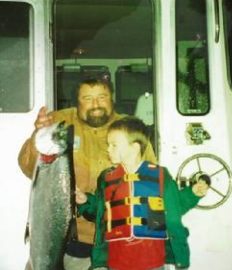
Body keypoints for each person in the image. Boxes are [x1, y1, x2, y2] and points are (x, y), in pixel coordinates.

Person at [18, 78, 156, 270]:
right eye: (88, 98)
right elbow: (27, 166)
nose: (96, 104)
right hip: (62, 239)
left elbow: (150, 182)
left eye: (102, 97)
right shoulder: (59, 121)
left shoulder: (130, 128)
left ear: (112, 99)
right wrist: (39, 133)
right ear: (77, 101)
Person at [76, 116, 209, 270]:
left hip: (152, 261)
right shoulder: (107, 178)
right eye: (108, 145)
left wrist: (192, 194)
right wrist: (85, 201)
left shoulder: (160, 176)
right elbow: (99, 214)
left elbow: (176, 207)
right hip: (116, 261)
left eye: (114, 145)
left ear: (135, 147)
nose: (108, 149)